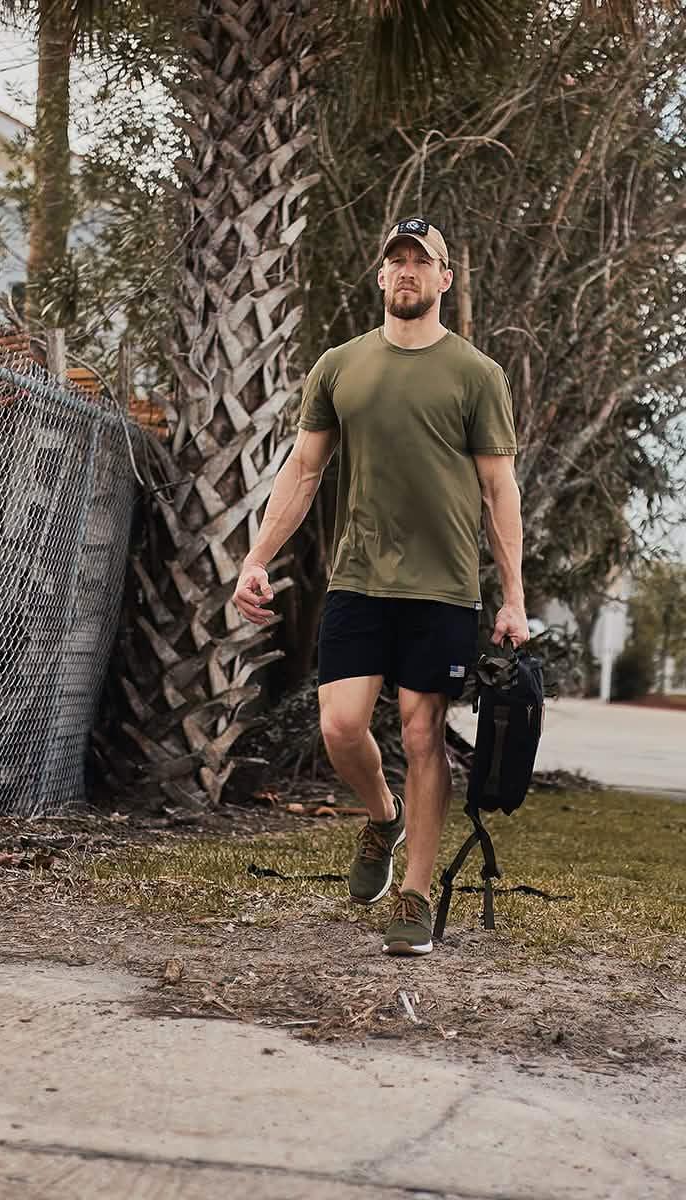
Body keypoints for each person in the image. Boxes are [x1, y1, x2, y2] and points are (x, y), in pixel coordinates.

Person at [232, 218, 528, 957]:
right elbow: (303, 473)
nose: (405, 273)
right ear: (379, 277)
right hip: (360, 578)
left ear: (444, 279)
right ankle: (383, 817)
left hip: (444, 585)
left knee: (425, 732)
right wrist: (257, 556)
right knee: (340, 726)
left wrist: (515, 596)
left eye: (419, 263)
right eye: (393, 261)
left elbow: (499, 490)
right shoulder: (340, 367)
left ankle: (417, 895)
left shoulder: (475, 374)